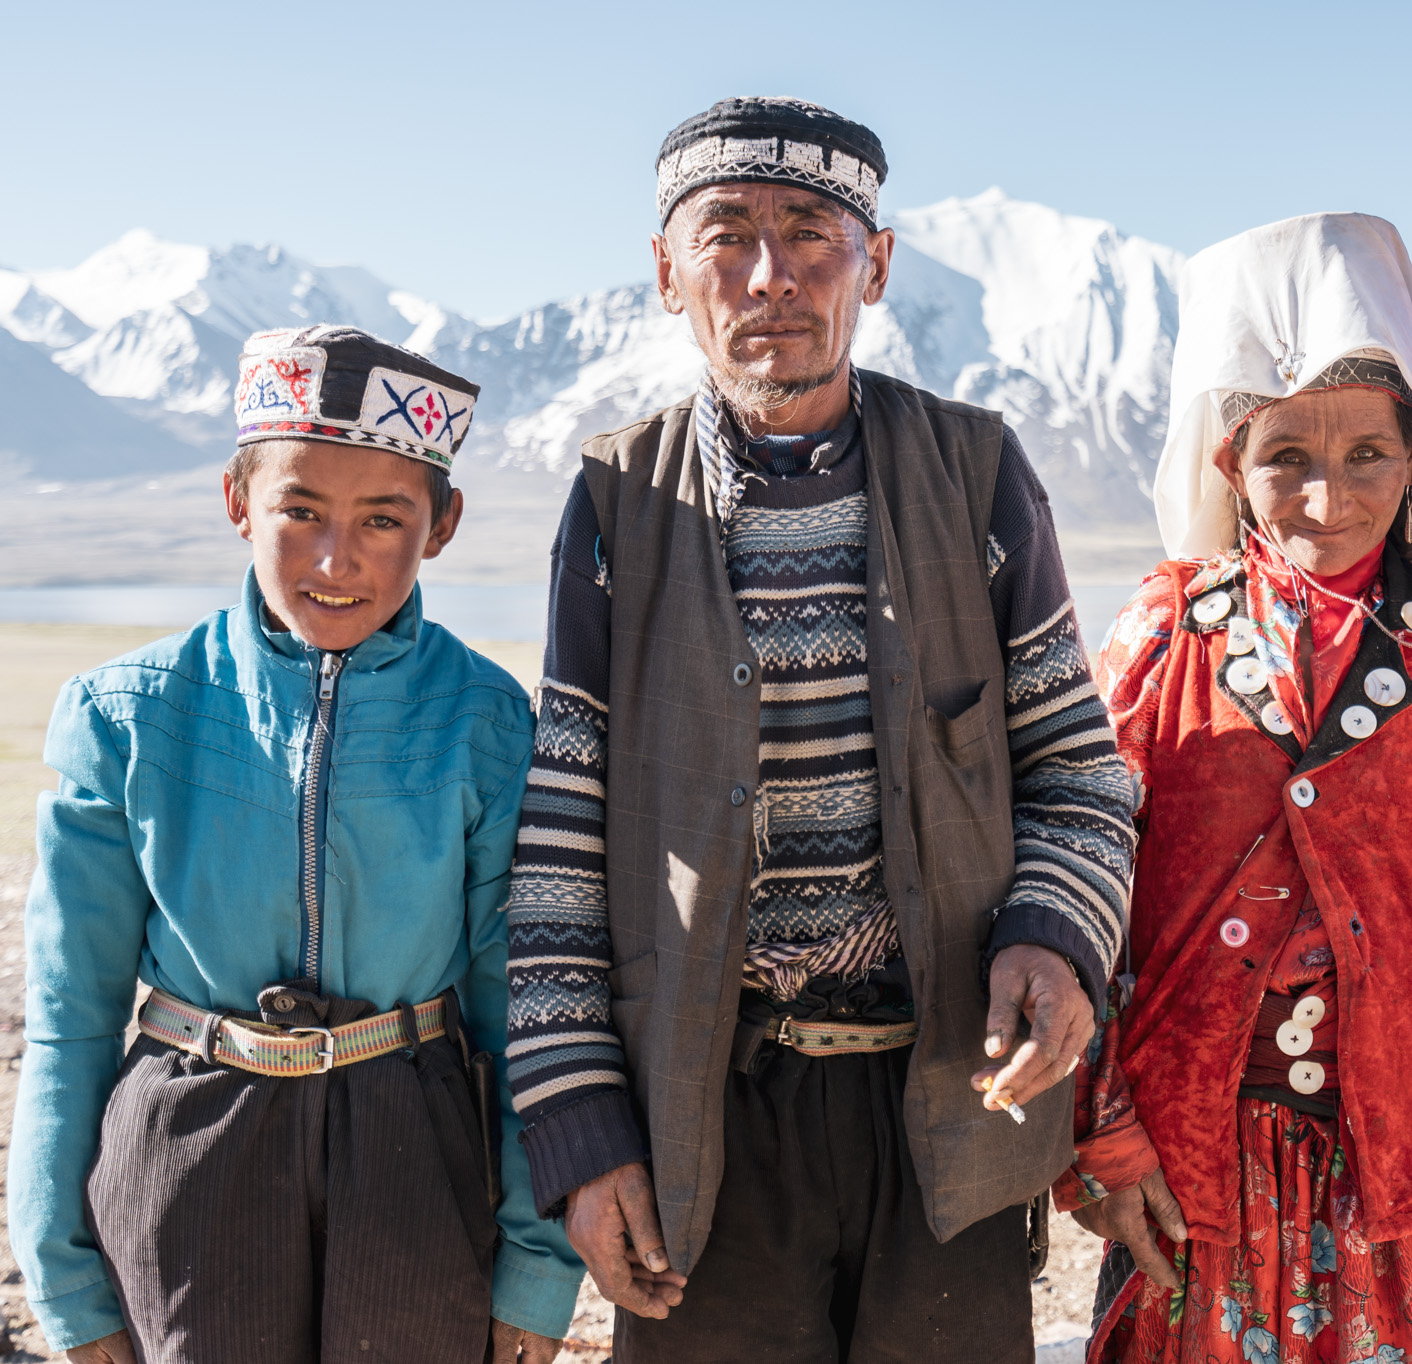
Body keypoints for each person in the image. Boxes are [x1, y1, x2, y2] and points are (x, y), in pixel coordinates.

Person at [500, 96, 1139, 1363]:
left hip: (946, 1096)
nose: (768, 276)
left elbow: (1076, 767)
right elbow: (565, 830)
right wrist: (581, 1132)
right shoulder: (616, 502)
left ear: (877, 263)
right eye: (725, 234)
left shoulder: (977, 473)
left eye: (810, 235)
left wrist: (1053, 939)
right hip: (706, 1114)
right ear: (667, 270)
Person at [8, 326, 583, 1363]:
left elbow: (521, 1012)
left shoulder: (487, 724)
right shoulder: (127, 716)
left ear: (442, 524)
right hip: (185, 1155)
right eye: (299, 510)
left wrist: (537, 1270)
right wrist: (62, 1276)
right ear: (237, 502)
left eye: (383, 518)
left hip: (417, 1160)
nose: (336, 556)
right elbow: (69, 1018)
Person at [1073, 213, 1412, 1364]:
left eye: (1365, 454)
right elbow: (1079, 894)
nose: (1324, 494)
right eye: (1282, 455)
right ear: (1230, 468)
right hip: (1191, 1183)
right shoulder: (1163, 635)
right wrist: (1102, 1137)